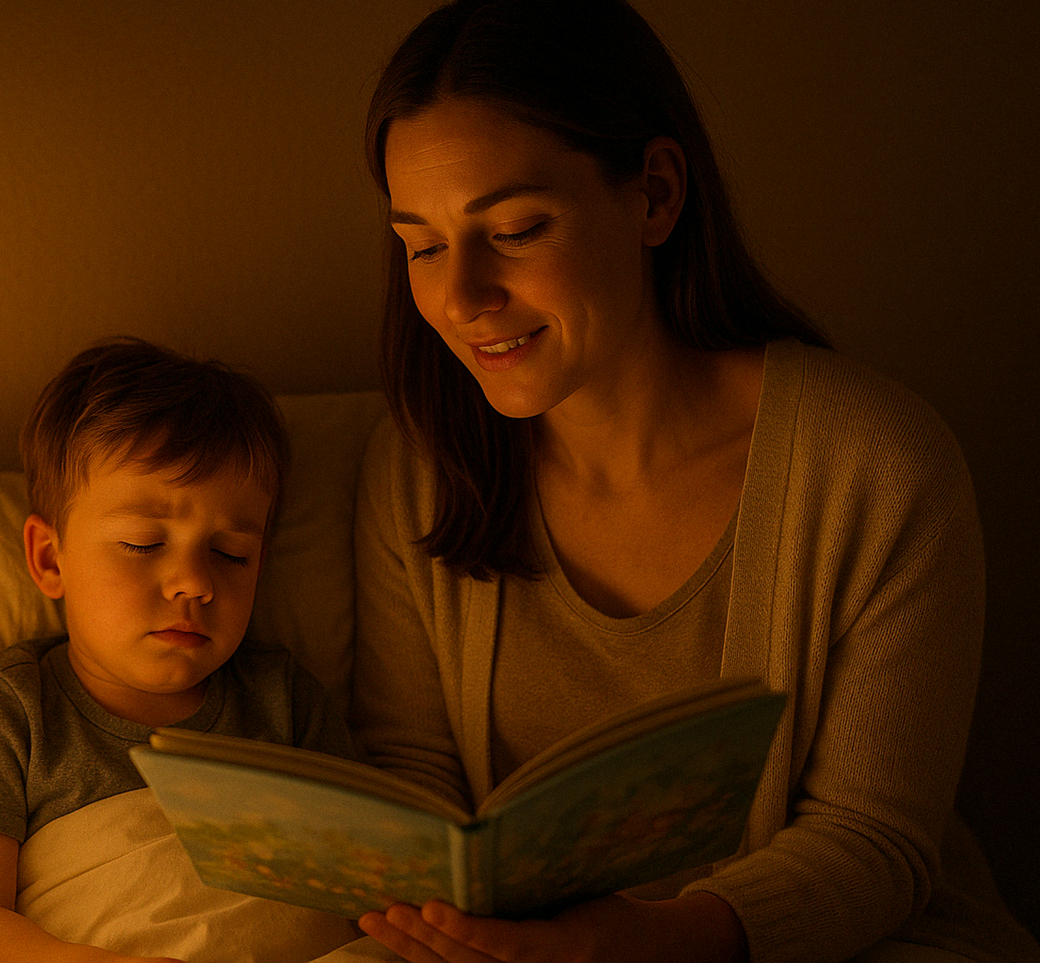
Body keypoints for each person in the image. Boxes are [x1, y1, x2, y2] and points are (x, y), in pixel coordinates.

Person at [347, 2, 1040, 962]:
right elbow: (414, 770)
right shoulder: (419, 465)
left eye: (514, 229)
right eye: (421, 245)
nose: (460, 296)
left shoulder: (874, 464)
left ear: (656, 195)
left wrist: (647, 940)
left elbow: (871, 841)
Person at [0, 337, 363, 963]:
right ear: (50, 559)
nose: (196, 583)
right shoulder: (15, 706)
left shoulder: (283, 701)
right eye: (143, 543)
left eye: (231, 554)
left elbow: (361, 892)